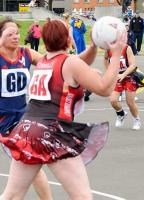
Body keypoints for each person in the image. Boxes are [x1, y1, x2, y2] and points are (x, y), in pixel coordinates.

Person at [0, 19, 127, 199]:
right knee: (82, 196)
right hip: (51, 132)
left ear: (44, 40)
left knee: (11, 195)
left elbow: (78, 63)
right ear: (68, 39)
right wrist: (115, 56)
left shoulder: (44, 61)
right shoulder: (69, 63)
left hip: (27, 131)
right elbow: (104, 88)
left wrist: (93, 47)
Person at [0, 18, 52, 199]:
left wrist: (80, 68)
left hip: (20, 120)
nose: (15, 37)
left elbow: (52, 63)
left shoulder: (26, 53)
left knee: (32, 165)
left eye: (16, 33)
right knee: (28, 167)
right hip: (2, 120)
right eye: (10, 34)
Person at [104, 44, 141, 130]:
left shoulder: (126, 48)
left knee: (130, 102)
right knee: (113, 100)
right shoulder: (108, 49)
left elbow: (133, 65)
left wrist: (123, 75)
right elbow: (106, 59)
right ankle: (121, 114)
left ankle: (136, 119)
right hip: (116, 77)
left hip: (129, 76)